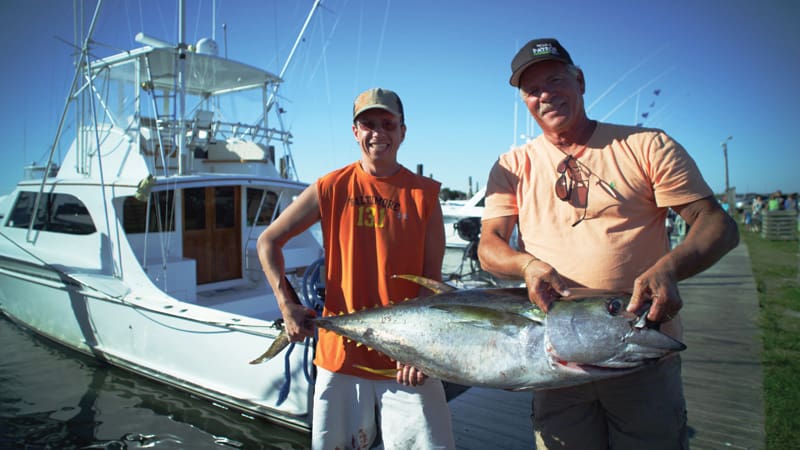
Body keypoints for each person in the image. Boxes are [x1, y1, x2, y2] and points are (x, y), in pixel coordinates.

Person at [478, 38, 739, 449]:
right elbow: (489, 245)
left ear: (579, 80)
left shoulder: (646, 145)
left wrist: (670, 268)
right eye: (532, 90)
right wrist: (526, 265)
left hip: (639, 354)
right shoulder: (511, 166)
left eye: (555, 79)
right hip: (555, 364)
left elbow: (716, 224)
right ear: (524, 100)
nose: (545, 94)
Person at [257, 88, 455, 449]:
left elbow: (431, 282)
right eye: (368, 124)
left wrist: (419, 350)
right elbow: (268, 242)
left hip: (406, 363)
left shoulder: (425, 195)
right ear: (355, 131)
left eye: (387, 123)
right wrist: (287, 304)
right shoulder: (330, 187)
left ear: (403, 131)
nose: (378, 132)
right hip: (340, 359)